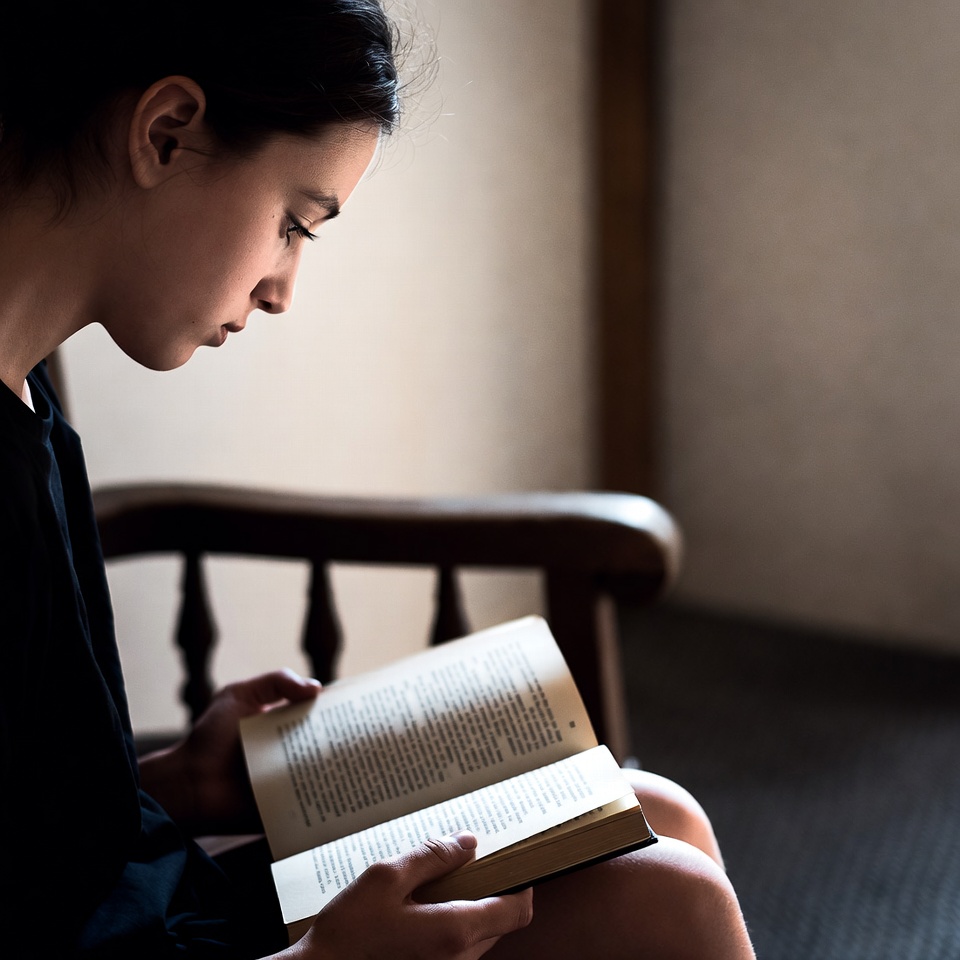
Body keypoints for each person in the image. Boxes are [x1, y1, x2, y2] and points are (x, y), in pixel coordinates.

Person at [0, 1, 755, 957]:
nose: (280, 287)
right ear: (166, 132)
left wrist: (177, 782)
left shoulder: (29, 406)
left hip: (142, 894)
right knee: (667, 899)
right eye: (292, 223)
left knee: (655, 813)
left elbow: (30, 836)